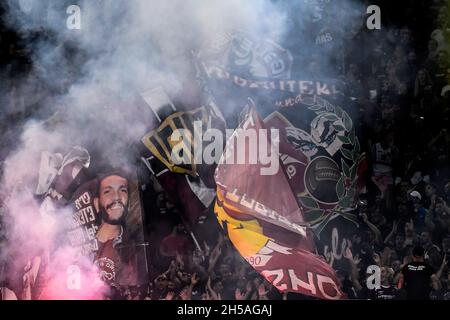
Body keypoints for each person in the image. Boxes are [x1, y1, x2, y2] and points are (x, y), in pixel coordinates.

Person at [93, 171, 136, 288]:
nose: (116, 197)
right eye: (108, 191)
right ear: (97, 204)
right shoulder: (82, 242)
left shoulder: (135, 250)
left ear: (130, 204)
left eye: (122, 190)